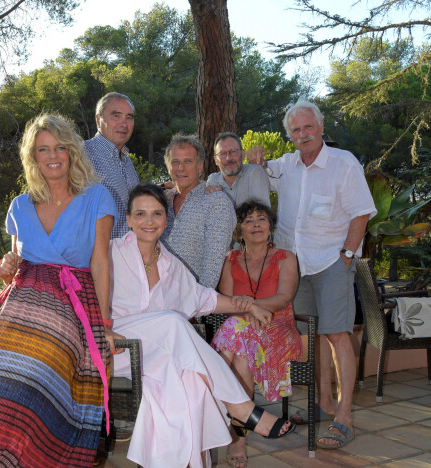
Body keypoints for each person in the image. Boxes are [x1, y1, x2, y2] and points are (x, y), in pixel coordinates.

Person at [0, 113, 119, 468]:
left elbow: (101, 263)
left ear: (72, 151)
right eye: (43, 149)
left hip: (70, 306)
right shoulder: (19, 205)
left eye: (60, 146)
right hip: (20, 303)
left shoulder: (97, 198)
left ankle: (23, 457)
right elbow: (12, 264)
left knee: (33, 371)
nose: (53, 155)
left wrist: (104, 323)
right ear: (33, 157)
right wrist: (4, 269)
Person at [109, 184, 296, 468]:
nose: (149, 221)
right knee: (173, 322)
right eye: (141, 214)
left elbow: (206, 299)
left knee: (192, 382)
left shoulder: (171, 265)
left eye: (157, 213)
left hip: (158, 356)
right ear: (129, 219)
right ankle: (240, 406)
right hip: (119, 348)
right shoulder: (111, 253)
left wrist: (250, 304)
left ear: (165, 219)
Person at [247, 100, 376, 449]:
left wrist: (347, 256)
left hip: (332, 263)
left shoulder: (343, 163)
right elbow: (257, 170)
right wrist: (255, 158)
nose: (303, 134)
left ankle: (344, 415)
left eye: (308, 127)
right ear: (289, 136)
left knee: (337, 335)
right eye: (296, 130)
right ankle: (322, 403)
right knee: (313, 335)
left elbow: (361, 213)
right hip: (296, 266)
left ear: (320, 127)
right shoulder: (286, 165)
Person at [212, 200, 303, 468]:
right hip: (241, 330)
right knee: (240, 349)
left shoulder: (286, 258)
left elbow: (284, 298)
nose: (256, 225)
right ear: (239, 230)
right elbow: (227, 300)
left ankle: (211, 390)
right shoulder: (230, 261)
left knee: (235, 334)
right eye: (248, 220)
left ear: (270, 226)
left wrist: (252, 308)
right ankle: (240, 427)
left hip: (277, 327)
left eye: (261, 219)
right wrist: (247, 313)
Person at [162, 133, 236, 288]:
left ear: (200, 166)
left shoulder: (216, 202)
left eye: (188, 161)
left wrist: (197, 305)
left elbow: (212, 268)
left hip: (193, 303)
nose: (181, 168)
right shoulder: (160, 201)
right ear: (168, 166)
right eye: (175, 162)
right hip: (156, 297)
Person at [84, 92, 139, 239]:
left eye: (129, 118)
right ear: (98, 119)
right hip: (96, 258)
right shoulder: (81, 154)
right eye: (116, 116)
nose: (124, 124)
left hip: (128, 256)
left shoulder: (127, 162)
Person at [206, 132, 270, 208]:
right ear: (216, 160)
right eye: (222, 154)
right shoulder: (213, 180)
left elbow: (259, 215)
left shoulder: (255, 172)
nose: (228, 158)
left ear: (243, 154)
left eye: (233, 152)